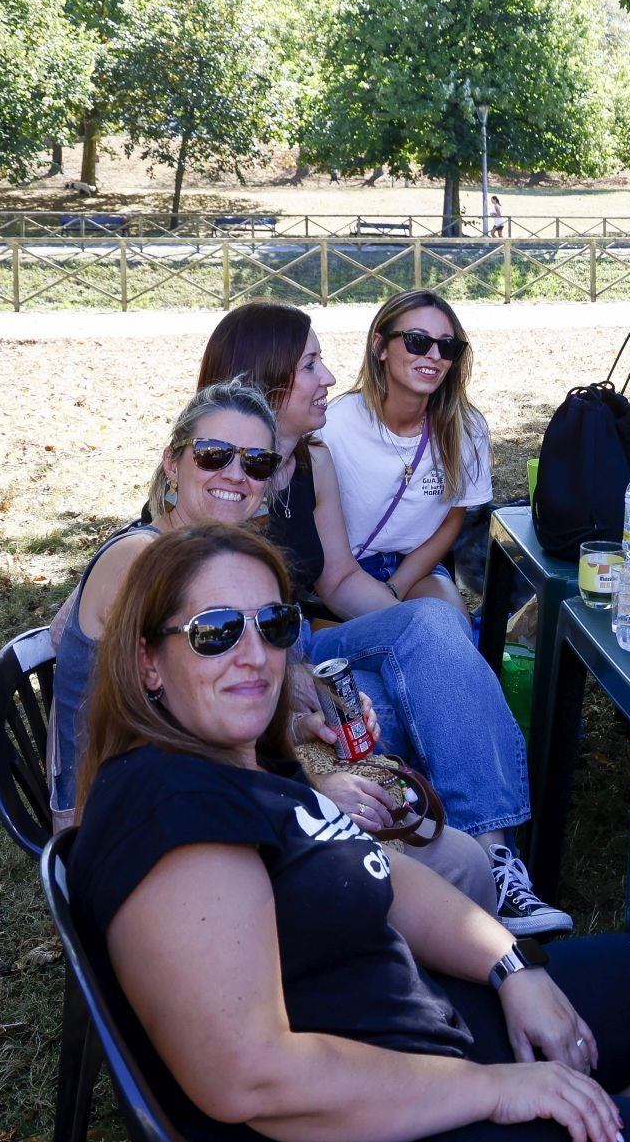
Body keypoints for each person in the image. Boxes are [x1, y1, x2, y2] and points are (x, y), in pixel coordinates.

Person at [67, 523, 630, 1142]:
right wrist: (494, 1089)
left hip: (408, 1033)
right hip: (356, 1112)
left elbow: (385, 875)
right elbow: (255, 1076)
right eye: (216, 631)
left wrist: (511, 965)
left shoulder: (235, 761)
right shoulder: (174, 810)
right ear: (148, 660)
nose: (255, 656)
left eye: (273, 625)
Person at [49, 380, 495, 907]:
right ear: (173, 462)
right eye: (214, 455)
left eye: (257, 462)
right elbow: (172, 737)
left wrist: (295, 727)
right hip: (144, 823)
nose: (236, 475)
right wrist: (307, 787)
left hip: (195, 790)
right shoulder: (146, 561)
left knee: (461, 859)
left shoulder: (210, 559)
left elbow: (204, 707)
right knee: (462, 869)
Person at [199, 301, 568, 936]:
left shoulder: (311, 461)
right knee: (395, 706)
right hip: (271, 659)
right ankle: (440, 874)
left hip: (312, 633)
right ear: (266, 378)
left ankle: (496, 859)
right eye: (312, 364)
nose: (330, 378)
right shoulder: (222, 476)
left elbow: (339, 577)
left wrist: (421, 635)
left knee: (434, 632)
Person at [324, 291, 489, 616]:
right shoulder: (334, 426)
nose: (434, 355)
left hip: (414, 568)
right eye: (417, 341)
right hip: (341, 569)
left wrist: (397, 585)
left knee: (452, 628)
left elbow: (451, 521)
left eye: (447, 346)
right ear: (380, 346)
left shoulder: (467, 428)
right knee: (415, 633)